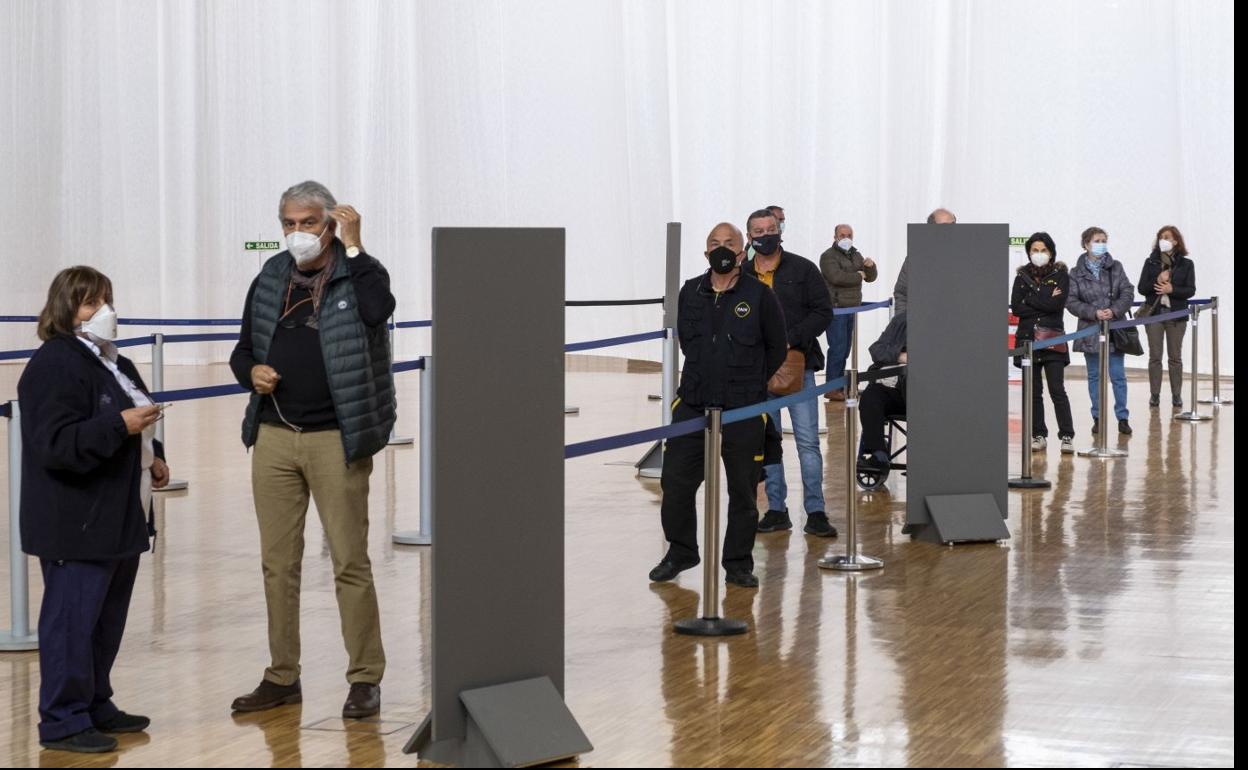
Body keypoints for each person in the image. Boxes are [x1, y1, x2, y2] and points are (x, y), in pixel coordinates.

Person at [229, 181, 396, 718]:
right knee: (278, 564)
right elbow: (243, 349)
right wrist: (249, 372)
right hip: (275, 437)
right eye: (288, 223)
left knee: (350, 561)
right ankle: (282, 676)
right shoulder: (271, 275)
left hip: (336, 440)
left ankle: (365, 678)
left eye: (307, 222)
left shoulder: (359, 272)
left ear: (331, 222)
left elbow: (378, 311)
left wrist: (355, 246)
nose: (296, 233)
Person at [18, 266, 170, 753]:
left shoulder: (115, 363)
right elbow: (55, 444)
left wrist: (157, 456)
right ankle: (63, 720)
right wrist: (119, 427)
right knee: (70, 622)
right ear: (65, 309)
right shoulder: (55, 364)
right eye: (90, 303)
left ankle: (95, 701)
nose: (104, 312)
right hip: (77, 521)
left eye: (107, 300)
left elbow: (137, 418)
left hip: (120, 516)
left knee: (105, 621)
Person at [650, 222, 787, 588]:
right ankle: (681, 551)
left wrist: (748, 384)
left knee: (743, 490)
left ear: (743, 252)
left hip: (742, 409)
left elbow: (776, 348)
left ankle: (738, 563)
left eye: (730, 243)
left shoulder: (760, 296)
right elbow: (687, 345)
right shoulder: (690, 291)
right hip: (693, 404)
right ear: (706, 251)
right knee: (675, 482)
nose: (722, 249)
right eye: (715, 243)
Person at [742, 209, 836, 538]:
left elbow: (823, 312)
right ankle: (777, 510)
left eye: (771, 229)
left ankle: (816, 511)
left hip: (799, 365)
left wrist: (790, 337)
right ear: (749, 235)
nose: (765, 235)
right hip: (756, 371)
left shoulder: (803, 268)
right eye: (758, 231)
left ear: (779, 230)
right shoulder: (742, 273)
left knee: (808, 442)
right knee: (769, 443)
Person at [1010, 232, 1075, 454]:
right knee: (1033, 391)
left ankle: (1067, 435)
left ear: (1051, 252)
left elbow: (1056, 306)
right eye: (1035, 250)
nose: (1039, 254)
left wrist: (1031, 299)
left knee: (1057, 389)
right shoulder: (1021, 277)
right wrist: (1045, 299)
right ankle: (1039, 434)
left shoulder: (1061, 275)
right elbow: (1016, 308)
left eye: (1043, 250)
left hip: (1052, 340)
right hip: (1027, 339)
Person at [1066, 226, 1134, 435]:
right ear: (1086, 244)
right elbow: (1071, 301)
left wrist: (1113, 311)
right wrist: (1094, 313)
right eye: (1097, 240)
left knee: (1117, 375)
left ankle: (1122, 417)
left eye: (1104, 240)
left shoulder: (1116, 267)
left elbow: (1127, 292)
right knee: (1095, 376)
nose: (1101, 244)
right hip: (1089, 329)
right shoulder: (1075, 273)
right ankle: (1097, 416)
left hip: (1114, 329)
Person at [1137, 225, 1197, 408]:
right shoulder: (1151, 262)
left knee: (1175, 357)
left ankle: (1176, 395)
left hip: (1176, 316)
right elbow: (1142, 288)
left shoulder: (1187, 264)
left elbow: (1190, 290)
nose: (1164, 240)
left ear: (1176, 241)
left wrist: (1173, 289)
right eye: (1161, 237)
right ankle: (1154, 395)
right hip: (1155, 315)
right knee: (1155, 357)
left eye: (1168, 237)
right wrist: (1157, 279)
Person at [819, 223, 877, 401]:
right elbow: (836, 277)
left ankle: (840, 386)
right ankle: (832, 387)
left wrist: (870, 267)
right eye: (842, 234)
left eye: (849, 235)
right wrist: (859, 275)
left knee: (844, 349)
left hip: (851, 308)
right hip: (836, 309)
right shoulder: (828, 256)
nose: (846, 238)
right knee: (837, 348)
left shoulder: (856, 254)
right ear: (835, 237)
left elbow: (871, 278)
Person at [858, 312, 907, 482]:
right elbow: (877, 349)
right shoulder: (902, 320)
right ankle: (878, 454)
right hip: (894, 389)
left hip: (924, 393)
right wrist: (900, 357)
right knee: (870, 397)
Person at [892, 207, 955, 315]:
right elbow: (902, 293)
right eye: (945, 226)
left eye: (953, 225)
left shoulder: (969, 255)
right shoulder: (917, 258)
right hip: (926, 323)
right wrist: (903, 322)